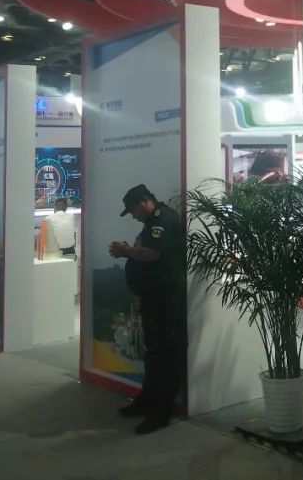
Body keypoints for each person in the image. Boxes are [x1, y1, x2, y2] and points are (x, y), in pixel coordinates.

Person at [108, 184, 185, 435]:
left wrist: (125, 251)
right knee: (154, 351)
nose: (133, 216)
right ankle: (147, 400)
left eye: (132, 210)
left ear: (144, 202)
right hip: (154, 297)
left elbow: (152, 253)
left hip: (166, 297)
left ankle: (161, 412)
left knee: (166, 354)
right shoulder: (151, 222)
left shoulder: (163, 218)